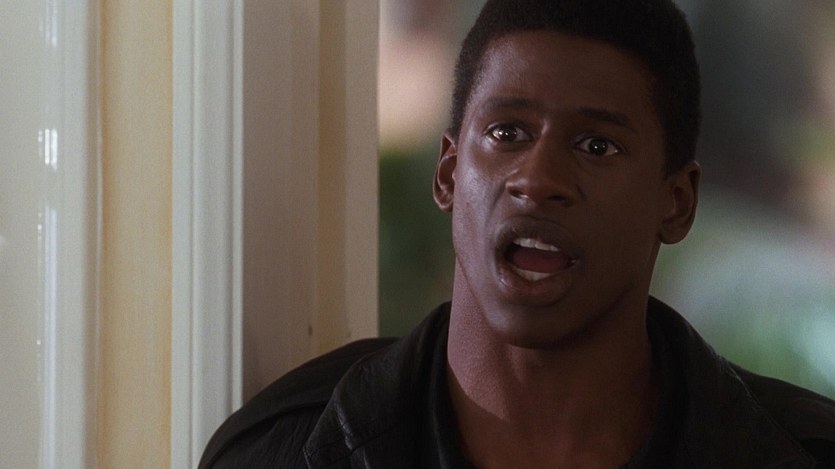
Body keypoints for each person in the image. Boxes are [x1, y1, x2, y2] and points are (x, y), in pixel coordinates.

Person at [199, 0, 835, 467]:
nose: (539, 178)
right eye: (507, 133)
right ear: (448, 173)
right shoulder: (282, 450)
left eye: (597, 145)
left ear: (677, 202)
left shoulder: (797, 450)